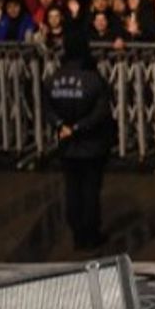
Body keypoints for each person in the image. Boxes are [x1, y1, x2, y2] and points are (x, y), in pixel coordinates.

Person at [42, 32, 115, 249]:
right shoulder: (94, 79)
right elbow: (101, 111)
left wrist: (61, 126)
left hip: (66, 144)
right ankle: (90, 234)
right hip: (92, 144)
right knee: (90, 189)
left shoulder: (53, 80)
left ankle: (77, 232)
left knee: (72, 188)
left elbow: (47, 108)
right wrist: (78, 128)